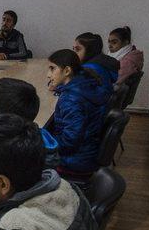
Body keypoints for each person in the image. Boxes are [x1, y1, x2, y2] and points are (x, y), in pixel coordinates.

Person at [47, 49, 109, 189]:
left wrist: (40, 140)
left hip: (75, 161)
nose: (48, 74)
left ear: (67, 71)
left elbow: (69, 142)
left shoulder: (71, 100)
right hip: (87, 151)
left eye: (52, 69)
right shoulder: (85, 83)